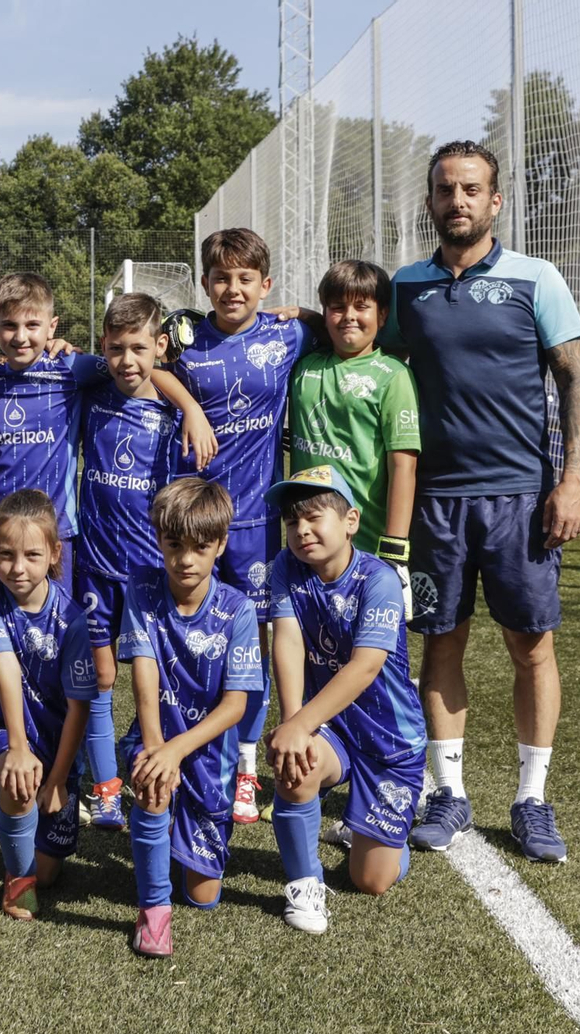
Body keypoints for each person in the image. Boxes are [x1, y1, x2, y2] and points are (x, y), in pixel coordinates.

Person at [0, 272, 214, 835]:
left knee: (70, 666)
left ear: (53, 328)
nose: (20, 336)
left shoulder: (73, 371)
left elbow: (139, 364)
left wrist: (191, 407)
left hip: (58, 543)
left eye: (32, 325)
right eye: (8, 326)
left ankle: (77, 774)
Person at [383, 140, 580, 863]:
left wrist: (573, 481)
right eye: (446, 190)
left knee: (530, 645)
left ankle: (533, 799)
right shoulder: (406, 287)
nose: (458, 201)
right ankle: (449, 791)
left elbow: (573, 381)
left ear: (496, 201)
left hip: (520, 500)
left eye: (472, 189)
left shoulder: (536, 279)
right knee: (441, 641)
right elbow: (356, 341)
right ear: (431, 202)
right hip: (435, 500)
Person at [166, 227, 320, 825]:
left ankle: (246, 768)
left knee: (250, 645)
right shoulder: (182, 337)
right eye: (222, 278)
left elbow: (338, 322)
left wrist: (301, 308)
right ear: (205, 283)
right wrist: (190, 406)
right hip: (194, 517)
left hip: (255, 519)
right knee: (183, 633)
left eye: (245, 279)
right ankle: (183, 742)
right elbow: (139, 362)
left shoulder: (287, 334)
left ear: (265, 285)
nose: (233, 289)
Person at [262, 466, 425, 934]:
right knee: (298, 764)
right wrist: (295, 723)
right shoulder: (285, 568)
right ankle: (305, 884)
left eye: (314, 517)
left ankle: (375, 833)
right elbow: (288, 642)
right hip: (333, 728)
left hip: (391, 741)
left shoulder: (380, 579)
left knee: (371, 881)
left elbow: (364, 667)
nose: (301, 530)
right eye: (293, 522)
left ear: (351, 520)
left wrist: (298, 724)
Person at [119, 479, 261, 958]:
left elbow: (236, 706)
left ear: (220, 545)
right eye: (174, 544)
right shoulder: (141, 587)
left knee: (203, 896)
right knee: (153, 780)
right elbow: (143, 674)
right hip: (157, 735)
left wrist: (179, 750)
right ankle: (153, 912)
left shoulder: (238, 610)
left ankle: (175, 842)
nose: (185, 559)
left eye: (201, 547)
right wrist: (157, 749)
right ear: (158, 538)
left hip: (206, 754)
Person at [74, 293, 181, 830]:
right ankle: (103, 786)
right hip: (94, 565)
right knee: (98, 675)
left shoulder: (172, 413)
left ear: (159, 345)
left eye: (139, 347)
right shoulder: (91, 395)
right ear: (103, 349)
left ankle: (144, 764)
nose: (127, 360)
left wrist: (196, 410)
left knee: (149, 678)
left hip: (146, 573)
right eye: (116, 348)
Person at [0, 490, 97, 919]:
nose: (17, 568)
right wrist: (18, 746)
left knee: (49, 873)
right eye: (5, 554)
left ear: (54, 553)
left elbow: (80, 708)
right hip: (6, 731)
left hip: (58, 742)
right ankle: (16, 878)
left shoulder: (74, 620)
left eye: (31, 554)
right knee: (17, 780)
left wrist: (59, 779)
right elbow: (4, 666)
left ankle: (27, 852)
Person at [286, 259, 418, 592]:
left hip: (367, 546)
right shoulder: (304, 365)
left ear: (383, 315)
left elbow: (404, 466)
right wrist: (302, 314)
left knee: (367, 641)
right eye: (337, 307)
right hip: (307, 539)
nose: (349, 316)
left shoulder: (393, 376)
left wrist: (395, 548)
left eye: (362, 307)